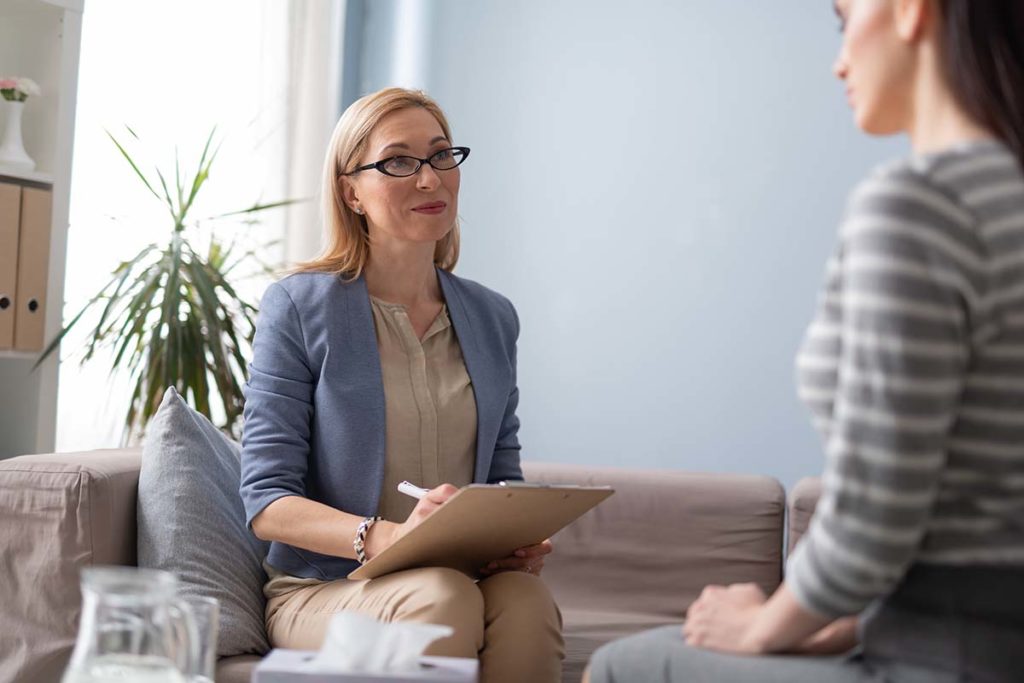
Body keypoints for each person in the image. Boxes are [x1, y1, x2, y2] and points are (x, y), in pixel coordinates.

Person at [586, 0, 1024, 681]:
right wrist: (830, 626)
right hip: (948, 632)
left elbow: (875, 522)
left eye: (845, 19)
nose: (839, 59)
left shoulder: (918, 205)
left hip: (943, 653)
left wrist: (762, 624)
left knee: (623, 665)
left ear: (911, 10)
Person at [240, 87, 564, 683]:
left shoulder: (494, 318)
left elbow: (501, 479)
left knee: (525, 600)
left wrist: (513, 541)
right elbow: (267, 502)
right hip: (325, 590)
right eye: (398, 162)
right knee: (442, 596)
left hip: (460, 578)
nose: (429, 179)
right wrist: (384, 537)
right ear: (350, 192)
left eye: (442, 156)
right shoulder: (297, 306)